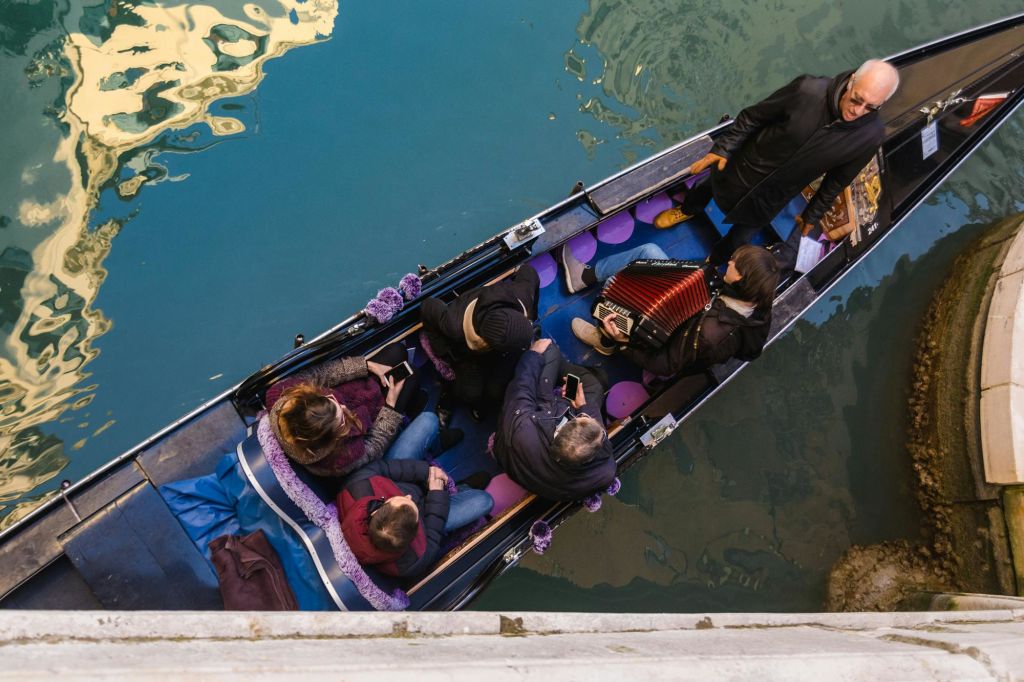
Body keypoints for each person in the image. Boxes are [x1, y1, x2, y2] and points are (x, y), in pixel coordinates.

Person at [655, 59, 899, 267]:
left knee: (741, 236)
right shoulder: (806, 90)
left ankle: (714, 261)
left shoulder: (871, 136)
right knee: (706, 187)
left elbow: (837, 181)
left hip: (775, 196)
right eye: (857, 100)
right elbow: (753, 117)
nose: (858, 111)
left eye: (871, 107)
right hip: (744, 166)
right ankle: (687, 210)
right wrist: (724, 148)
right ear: (853, 80)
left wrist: (812, 215)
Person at [565, 243, 779, 375]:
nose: (730, 261)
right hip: (692, 319)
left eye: (734, 262)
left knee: (609, 304)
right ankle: (584, 277)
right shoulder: (759, 298)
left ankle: (606, 341)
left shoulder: (709, 335)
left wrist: (623, 342)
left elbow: (664, 365)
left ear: (740, 278)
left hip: (673, 340)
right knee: (648, 251)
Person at [265, 342, 462, 478]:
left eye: (331, 401)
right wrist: (391, 406)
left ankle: (408, 402)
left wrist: (366, 366)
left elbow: (322, 374)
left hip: (356, 388)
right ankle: (408, 410)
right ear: (333, 439)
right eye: (340, 419)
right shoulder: (338, 460)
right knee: (412, 377)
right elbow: (374, 445)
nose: (342, 407)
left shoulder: (280, 393)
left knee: (397, 351)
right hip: (374, 416)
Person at [337, 448, 494, 579]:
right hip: (431, 504)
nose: (408, 496)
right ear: (414, 535)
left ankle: (441, 446)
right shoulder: (411, 563)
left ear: (377, 510)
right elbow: (433, 532)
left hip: (404, 479)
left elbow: (384, 467)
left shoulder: (356, 488)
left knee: (428, 421)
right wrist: (436, 492)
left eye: (401, 500)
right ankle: (462, 488)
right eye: (409, 502)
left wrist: (426, 471)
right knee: (484, 501)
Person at [492, 337, 616, 502]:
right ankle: (568, 371)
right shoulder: (605, 472)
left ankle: (555, 364)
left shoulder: (523, 431)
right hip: (545, 458)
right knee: (593, 386)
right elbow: (596, 434)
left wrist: (533, 355)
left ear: (562, 428)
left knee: (548, 349)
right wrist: (583, 407)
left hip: (521, 438)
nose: (586, 414)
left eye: (583, 417)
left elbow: (521, 388)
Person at [420, 265, 540, 412]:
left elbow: (529, 271)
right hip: (467, 355)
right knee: (470, 394)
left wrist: (532, 315)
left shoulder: (522, 296)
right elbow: (427, 307)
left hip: (496, 352)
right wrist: (443, 353)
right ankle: (449, 393)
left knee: (496, 391)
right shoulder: (453, 325)